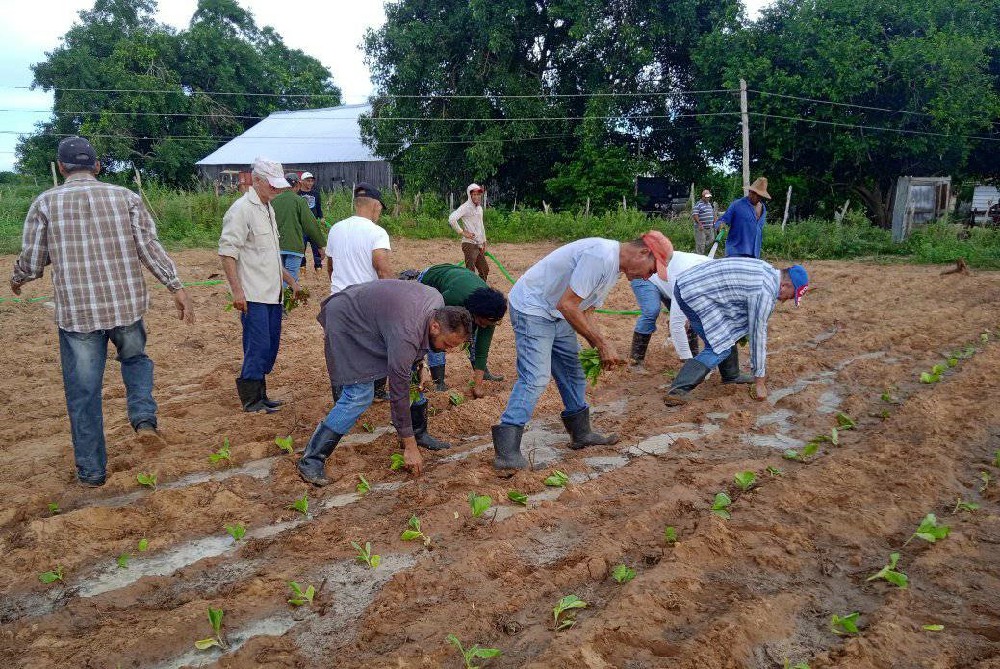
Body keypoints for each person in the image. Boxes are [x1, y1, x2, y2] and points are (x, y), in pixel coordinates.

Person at [9, 136, 196, 487]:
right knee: (136, 359)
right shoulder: (126, 197)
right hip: (126, 306)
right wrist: (176, 286)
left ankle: (93, 472)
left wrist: (18, 277)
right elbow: (149, 248)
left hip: (78, 314)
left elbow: (33, 262)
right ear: (96, 165)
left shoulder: (45, 203)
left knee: (83, 393)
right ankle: (143, 418)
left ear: (62, 167)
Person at [491, 232, 673, 470]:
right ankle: (507, 454)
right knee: (535, 377)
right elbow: (567, 304)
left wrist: (600, 343)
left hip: (558, 312)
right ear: (643, 253)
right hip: (533, 308)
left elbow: (585, 311)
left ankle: (581, 434)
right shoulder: (600, 256)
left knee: (573, 370)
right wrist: (601, 344)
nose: (649, 276)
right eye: (652, 269)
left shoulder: (613, 269)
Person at [297, 280, 474, 485]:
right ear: (435, 327)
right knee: (359, 395)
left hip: (376, 317)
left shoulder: (436, 306)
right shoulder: (407, 334)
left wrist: (421, 365)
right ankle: (311, 459)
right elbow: (398, 393)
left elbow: (417, 345)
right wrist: (409, 448)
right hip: (347, 318)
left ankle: (419, 434)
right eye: (447, 344)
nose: (447, 350)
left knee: (413, 380)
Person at [664, 258, 808, 405]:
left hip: (692, 285)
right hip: (694, 293)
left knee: (727, 331)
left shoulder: (768, 271)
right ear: (785, 285)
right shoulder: (764, 293)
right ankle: (677, 390)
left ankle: (731, 375)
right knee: (719, 347)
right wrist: (759, 382)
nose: (786, 300)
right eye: (791, 296)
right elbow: (757, 337)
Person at [219, 157, 301, 413]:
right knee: (258, 345)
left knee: (270, 345)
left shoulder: (268, 208)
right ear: (256, 181)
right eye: (272, 185)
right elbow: (227, 252)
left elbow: (270, 254)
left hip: (272, 293)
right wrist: (237, 291)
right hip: (253, 293)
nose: (276, 190)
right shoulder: (241, 209)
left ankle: (261, 394)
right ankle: (252, 399)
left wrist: (290, 281)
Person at [415, 264, 508, 395]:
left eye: (488, 324)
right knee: (440, 334)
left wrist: (478, 385)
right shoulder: (453, 298)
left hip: (461, 282)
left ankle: (482, 373)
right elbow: (434, 328)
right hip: (431, 279)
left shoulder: (491, 312)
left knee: (471, 334)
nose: (484, 326)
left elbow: (482, 347)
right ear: (475, 313)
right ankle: (438, 381)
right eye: (482, 322)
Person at [628, 250, 708, 371]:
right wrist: (687, 360)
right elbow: (676, 324)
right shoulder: (687, 282)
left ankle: (695, 357)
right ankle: (635, 361)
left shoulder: (708, 268)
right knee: (651, 311)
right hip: (646, 276)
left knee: (690, 316)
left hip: (669, 281)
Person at [273, 172, 327, 287]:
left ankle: (278, 300)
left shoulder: (273, 201)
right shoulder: (299, 201)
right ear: (297, 185)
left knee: (280, 274)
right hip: (293, 246)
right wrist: (320, 245)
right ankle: (284, 302)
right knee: (291, 277)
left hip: (277, 245)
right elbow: (310, 225)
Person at [715, 177, 770, 258]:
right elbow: (722, 220)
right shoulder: (737, 205)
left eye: (760, 195)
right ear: (750, 191)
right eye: (754, 193)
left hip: (754, 254)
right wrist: (721, 225)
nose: (756, 197)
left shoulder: (763, 209)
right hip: (736, 252)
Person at [448, 183, 489, 280]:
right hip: (469, 244)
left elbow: (481, 225)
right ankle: (470, 293)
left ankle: (480, 291)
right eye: (474, 194)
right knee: (470, 272)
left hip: (478, 244)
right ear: (470, 195)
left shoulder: (479, 208)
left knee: (484, 270)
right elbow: (451, 219)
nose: (476, 196)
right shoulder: (465, 207)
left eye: (478, 194)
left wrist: (484, 241)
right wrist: (462, 232)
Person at [297, 172, 325, 272]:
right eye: (308, 181)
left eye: (311, 181)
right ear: (302, 181)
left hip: (313, 225)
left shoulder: (316, 194)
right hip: (301, 226)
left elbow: (318, 208)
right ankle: (302, 265)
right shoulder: (298, 194)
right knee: (301, 246)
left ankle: (318, 266)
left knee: (316, 245)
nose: (310, 183)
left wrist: (321, 217)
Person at [691, 189, 717, 255]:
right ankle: (699, 256)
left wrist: (714, 222)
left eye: (709, 197)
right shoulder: (698, 204)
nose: (708, 198)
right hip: (701, 228)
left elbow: (712, 213)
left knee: (712, 240)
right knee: (701, 244)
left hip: (710, 227)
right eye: (707, 197)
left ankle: (700, 252)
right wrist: (699, 224)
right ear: (703, 196)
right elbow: (695, 214)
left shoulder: (709, 204)